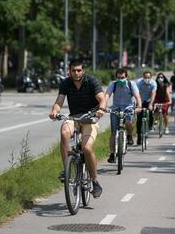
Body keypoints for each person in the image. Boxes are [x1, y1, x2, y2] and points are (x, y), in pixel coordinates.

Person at [49, 60, 107, 198]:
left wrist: (101, 109)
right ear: (69, 70)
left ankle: (95, 181)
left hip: (90, 119)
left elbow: (102, 98)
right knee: (64, 133)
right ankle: (68, 169)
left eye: (79, 70)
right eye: (73, 70)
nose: (76, 73)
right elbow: (59, 101)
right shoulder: (65, 83)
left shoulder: (91, 81)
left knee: (87, 149)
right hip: (74, 118)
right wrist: (54, 111)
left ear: (83, 71)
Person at [105, 68, 142, 163]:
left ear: (126, 77)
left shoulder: (131, 84)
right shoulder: (113, 84)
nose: (120, 79)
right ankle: (112, 154)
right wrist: (103, 106)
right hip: (116, 108)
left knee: (129, 122)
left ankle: (129, 135)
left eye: (122, 77)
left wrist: (139, 106)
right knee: (113, 132)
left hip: (128, 107)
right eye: (118, 77)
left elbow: (137, 96)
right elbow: (107, 95)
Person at [135, 71, 157, 145]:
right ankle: (139, 136)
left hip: (149, 100)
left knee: (151, 112)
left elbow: (153, 94)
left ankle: (150, 125)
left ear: (150, 77)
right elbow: (137, 93)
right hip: (140, 100)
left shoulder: (153, 83)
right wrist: (139, 104)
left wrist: (150, 104)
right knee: (139, 119)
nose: (147, 79)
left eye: (148, 77)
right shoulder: (139, 82)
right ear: (143, 77)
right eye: (145, 77)